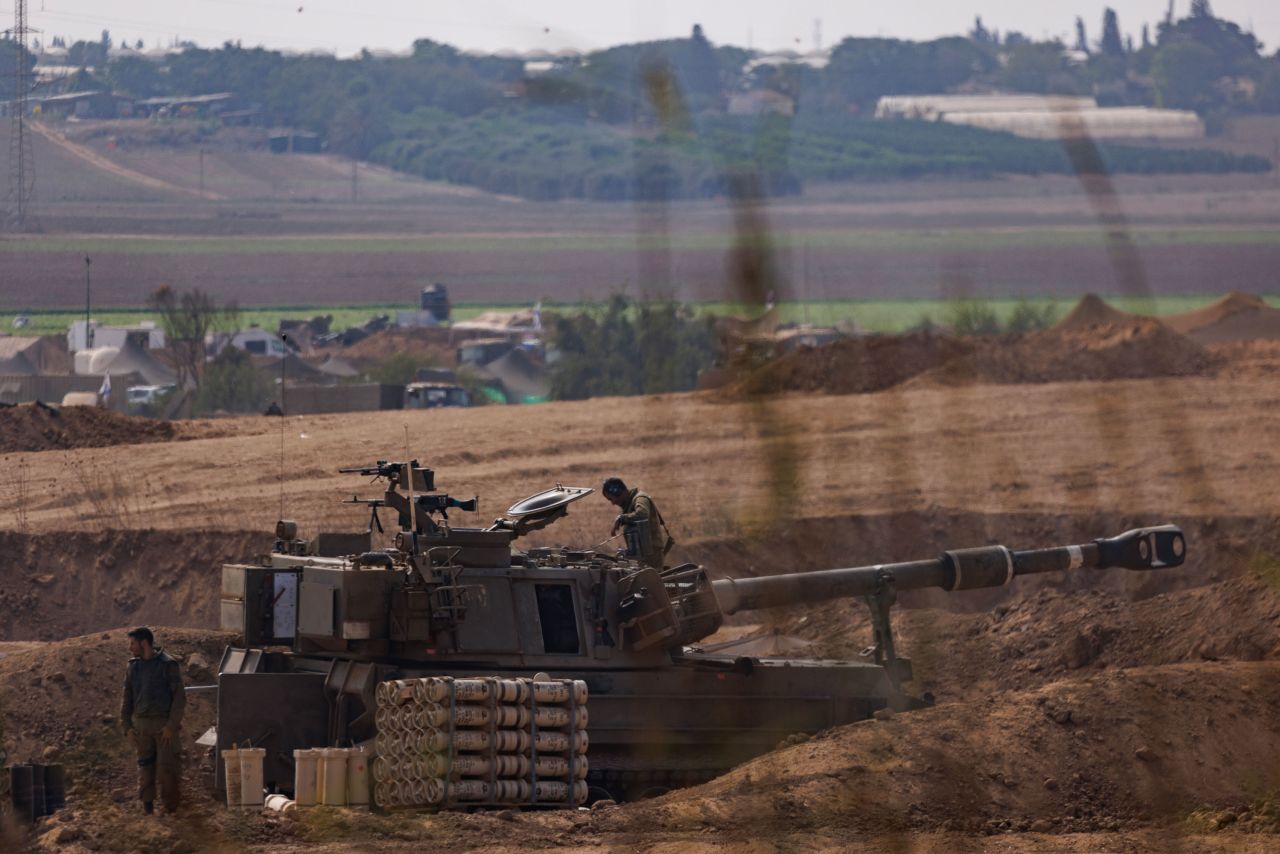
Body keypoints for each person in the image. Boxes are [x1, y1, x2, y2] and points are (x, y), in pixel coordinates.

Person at [121, 627, 185, 815]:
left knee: (167, 769)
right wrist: (127, 727)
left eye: (133, 643)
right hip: (141, 726)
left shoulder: (167, 665)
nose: (130, 648)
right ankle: (147, 807)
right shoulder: (133, 667)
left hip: (163, 727)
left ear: (143, 643)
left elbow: (179, 699)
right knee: (144, 768)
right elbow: (127, 699)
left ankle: (171, 809)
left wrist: (171, 726)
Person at [602, 477, 674, 570]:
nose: (613, 503)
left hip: (651, 555)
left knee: (652, 582)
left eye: (611, 498)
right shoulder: (630, 504)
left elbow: (642, 514)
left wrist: (621, 518)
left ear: (618, 492)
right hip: (641, 556)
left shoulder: (640, 498)